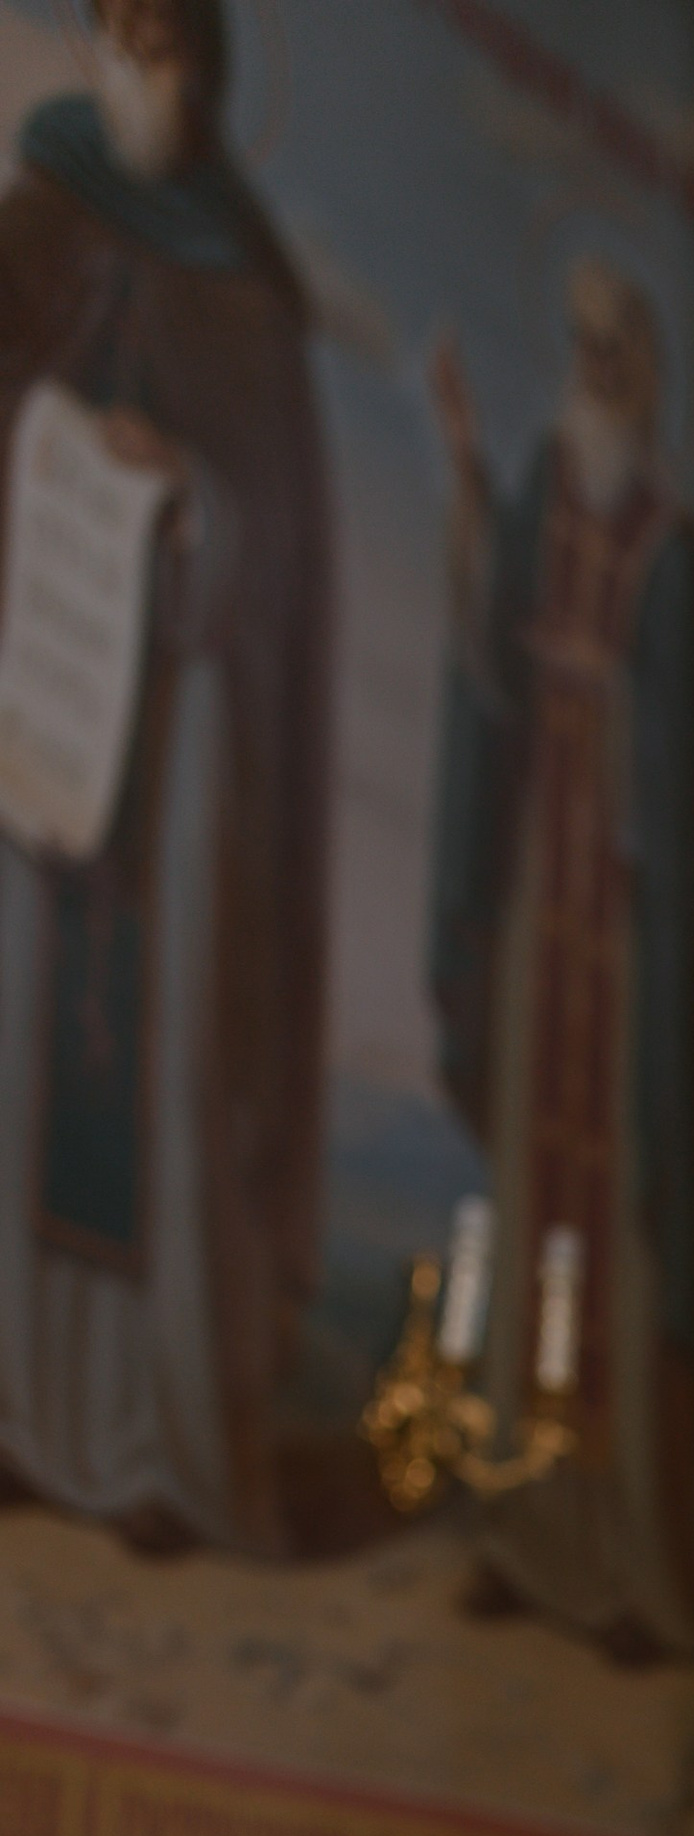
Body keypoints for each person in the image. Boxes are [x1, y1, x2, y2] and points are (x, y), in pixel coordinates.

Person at [0, 0, 331, 1556]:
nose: (157, 70)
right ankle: (26, 1409)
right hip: (45, 707)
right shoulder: (39, 207)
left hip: (183, 729)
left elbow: (279, 541)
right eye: (133, 36)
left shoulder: (243, 278)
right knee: (24, 1039)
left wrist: (183, 485)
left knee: (162, 1062)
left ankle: (152, 1443)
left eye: (181, 43)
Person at [427, 256, 694, 1661]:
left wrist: (619, 750)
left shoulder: (671, 554)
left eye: (624, 344)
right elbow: (486, 677)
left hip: (620, 953)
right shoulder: (531, 499)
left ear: (653, 368)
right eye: (585, 341)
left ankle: (623, 1547)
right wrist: (451, 472)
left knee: (613, 1227)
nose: (599, 363)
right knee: (525, 1199)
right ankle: (520, 1524)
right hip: (537, 920)